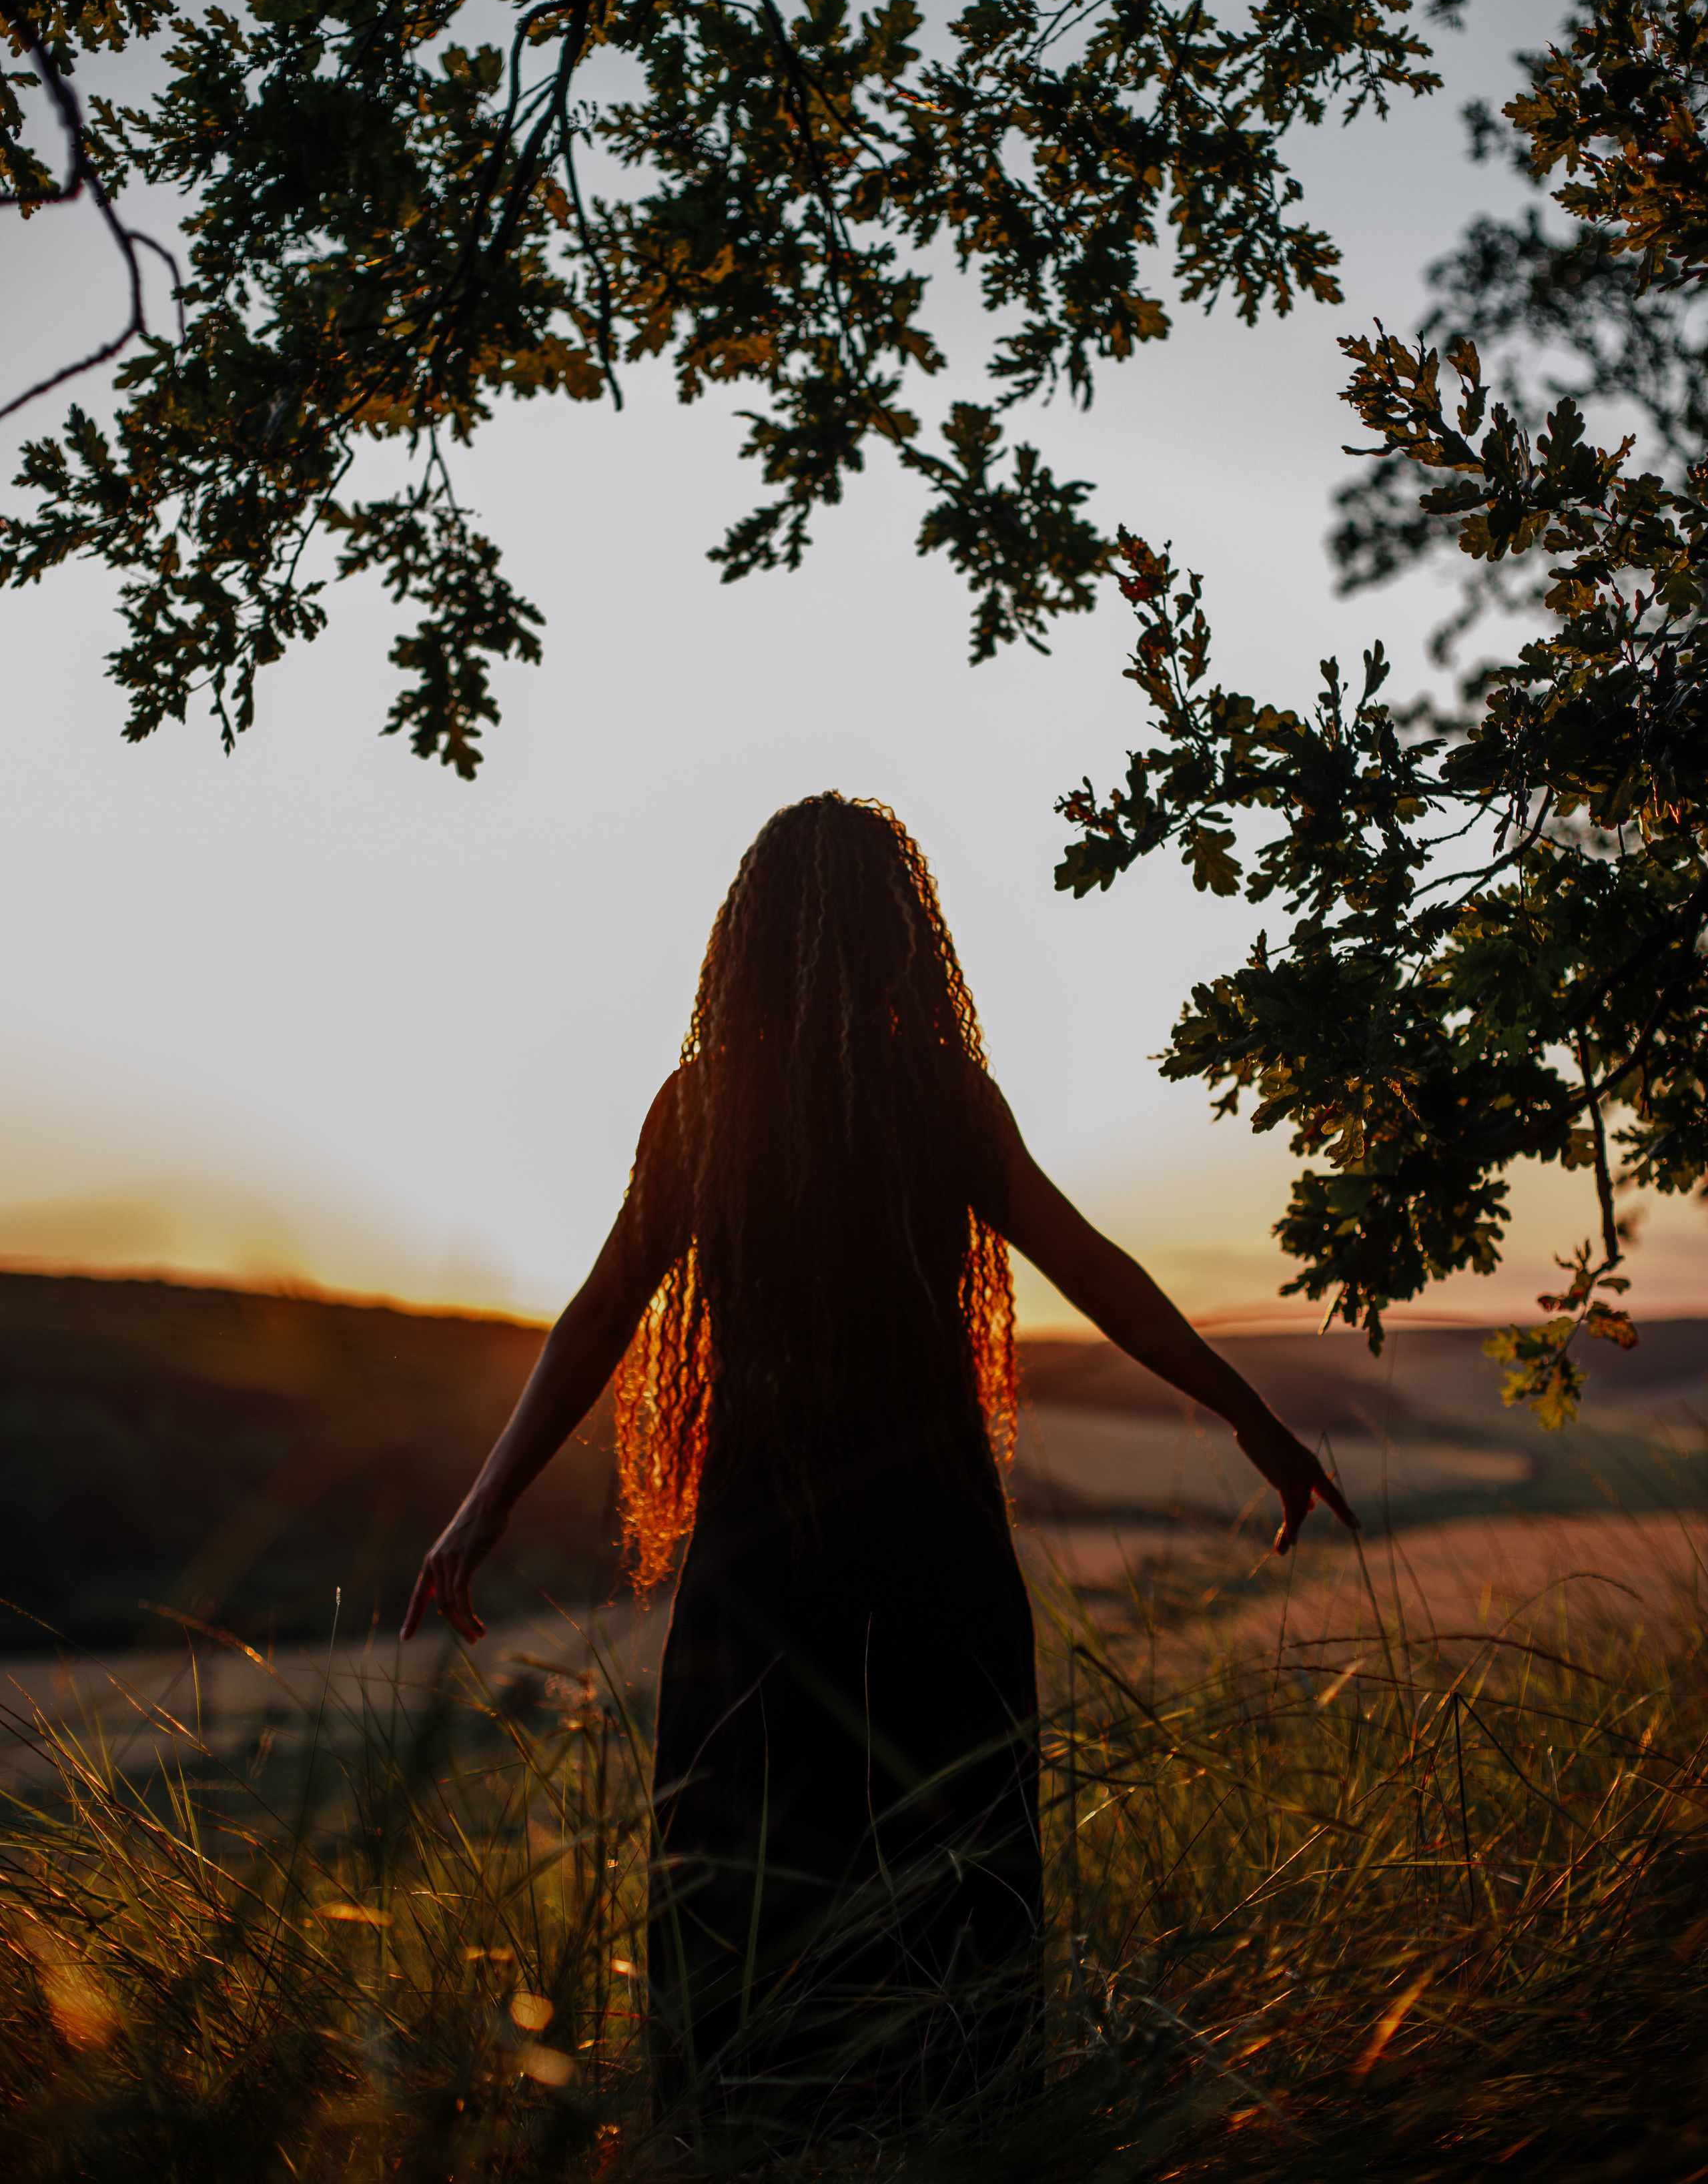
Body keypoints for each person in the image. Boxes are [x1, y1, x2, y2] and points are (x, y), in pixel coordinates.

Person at [402, 793, 1355, 2140]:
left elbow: (596, 1315)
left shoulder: (706, 1105)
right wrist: (1248, 1413)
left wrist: (480, 1505)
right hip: (934, 1547)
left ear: (744, 938)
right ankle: (961, 2133)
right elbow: (1103, 1281)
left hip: (756, 1553)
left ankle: (732, 2139)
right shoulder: (938, 1100)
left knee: (732, 1864)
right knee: (954, 1855)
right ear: (905, 932)